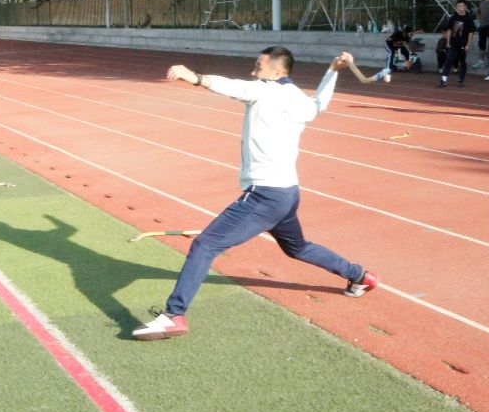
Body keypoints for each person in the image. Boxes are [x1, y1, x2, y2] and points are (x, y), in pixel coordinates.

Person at [133, 47, 378, 340]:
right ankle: (359, 276)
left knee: (205, 245)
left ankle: (174, 316)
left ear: (277, 71)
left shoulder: (263, 90)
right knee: (297, 248)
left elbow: (231, 86)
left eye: (258, 66)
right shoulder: (298, 98)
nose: (253, 71)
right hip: (287, 192)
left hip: (265, 195)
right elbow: (318, 105)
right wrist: (332, 71)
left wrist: (195, 77)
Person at [435, 0, 476, 87]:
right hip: (453, 44)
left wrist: (468, 44)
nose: (460, 8)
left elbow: (471, 32)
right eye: (458, 6)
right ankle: (443, 80)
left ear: (465, 7)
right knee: (449, 60)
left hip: (463, 44)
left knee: (462, 62)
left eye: (462, 6)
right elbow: (449, 30)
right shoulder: (453, 18)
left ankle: (461, 80)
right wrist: (448, 42)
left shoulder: (469, 19)